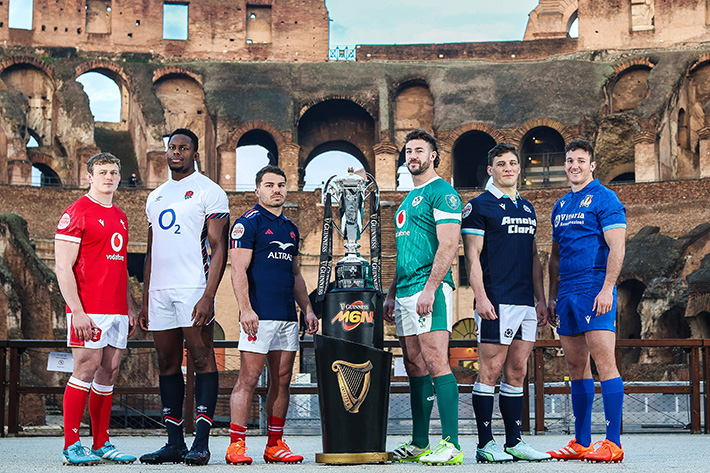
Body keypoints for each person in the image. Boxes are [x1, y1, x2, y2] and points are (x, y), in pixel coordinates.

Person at [138, 128, 230, 466]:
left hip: (193, 287)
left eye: (183, 148)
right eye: (172, 147)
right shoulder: (156, 197)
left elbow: (219, 248)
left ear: (194, 153)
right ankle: (174, 443)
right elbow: (151, 252)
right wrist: (146, 299)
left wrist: (208, 295)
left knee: (202, 358)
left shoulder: (210, 191)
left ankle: (201, 443)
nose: (176, 152)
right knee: (166, 362)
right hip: (160, 291)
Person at [461, 143, 550, 463]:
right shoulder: (478, 206)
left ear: (519, 168)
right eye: (501, 164)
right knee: (491, 370)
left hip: (525, 302)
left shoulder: (527, 208)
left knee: (517, 371)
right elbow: (471, 256)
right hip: (497, 300)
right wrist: (481, 296)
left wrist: (541, 300)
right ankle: (485, 444)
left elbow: (534, 257)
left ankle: (515, 442)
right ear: (491, 170)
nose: (508, 168)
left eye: (513, 163)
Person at [225, 165, 318, 465]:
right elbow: (237, 270)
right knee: (249, 377)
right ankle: (236, 445)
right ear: (258, 190)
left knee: (282, 379)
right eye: (269, 185)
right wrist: (246, 309)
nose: (276, 190)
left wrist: (307, 308)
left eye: (280, 185)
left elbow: (296, 274)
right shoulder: (247, 223)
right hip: (259, 314)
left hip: (286, 316)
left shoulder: (290, 228)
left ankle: (274, 444)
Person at [383, 129, 463, 465]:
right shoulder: (406, 199)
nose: (412, 156)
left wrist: (430, 289)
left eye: (419, 150)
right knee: (413, 364)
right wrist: (391, 293)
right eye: (409, 151)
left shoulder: (443, 193)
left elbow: (449, 244)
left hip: (429, 290)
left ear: (433, 156)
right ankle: (419, 442)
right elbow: (404, 253)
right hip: (404, 291)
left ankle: (451, 444)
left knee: (435, 360)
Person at [546, 139, 626, 463]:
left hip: (594, 288)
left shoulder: (605, 198)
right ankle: (581, 442)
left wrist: (607, 289)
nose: (574, 166)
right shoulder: (561, 205)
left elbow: (617, 246)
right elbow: (554, 257)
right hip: (566, 293)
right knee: (576, 367)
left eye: (581, 160)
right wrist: (552, 296)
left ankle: (613, 443)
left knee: (604, 364)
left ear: (592, 165)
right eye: (570, 160)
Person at [55, 152, 137, 465]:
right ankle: (72, 444)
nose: (109, 177)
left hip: (116, 309)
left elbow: (121, 265)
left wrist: (129, 306)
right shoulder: (76, 212)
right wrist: (76, 311)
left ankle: (102, 443)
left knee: (109, 371)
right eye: (102, 172)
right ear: (89, 177)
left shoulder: (121, 216)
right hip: (88, 307)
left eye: (113, 172)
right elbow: (63, 267)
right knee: (85, 368)